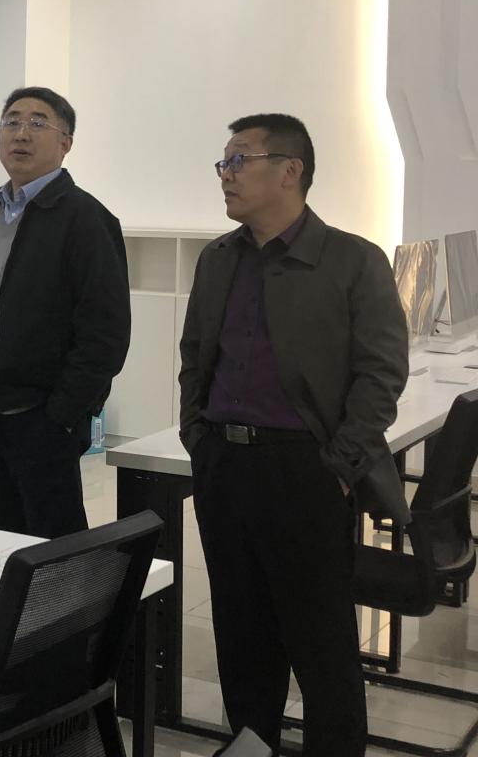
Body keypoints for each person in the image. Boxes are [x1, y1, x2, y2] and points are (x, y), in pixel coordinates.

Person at [179, 113, 409, 756]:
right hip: (225, 464)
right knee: (240, 629)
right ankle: (251, 745)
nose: (225, 175)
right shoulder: (217, 259)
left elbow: (382, 372)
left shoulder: (352, 260)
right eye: (223, 162)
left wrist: (339, 464)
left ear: (290, 170)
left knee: (320, 639)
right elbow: (195, 357)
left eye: (239, 160)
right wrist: (198, 436)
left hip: (305, 469)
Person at [0, 87, 130, 539]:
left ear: (65, 142)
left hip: (42, 417)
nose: (21, 133)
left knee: (53, 549)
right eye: (11, 121)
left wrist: (61, 417)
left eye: (37, 123)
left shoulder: (86, 218)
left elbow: (105, 334)